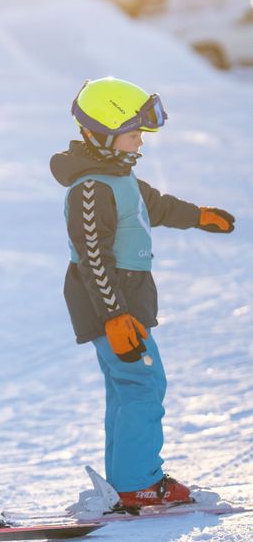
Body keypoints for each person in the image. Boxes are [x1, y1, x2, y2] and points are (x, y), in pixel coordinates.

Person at [50, 77, 235, 509]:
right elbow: (93, 258)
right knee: (142, 383)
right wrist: (115, 316)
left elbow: (156, 205)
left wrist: (198, 216)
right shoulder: (92, 188)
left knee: (128, 385)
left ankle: (128, 479)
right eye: (134, 134)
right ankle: (139, 482)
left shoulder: (117, 177)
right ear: (103, 134)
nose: (141, 142)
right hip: (110, 299)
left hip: (125, 296)